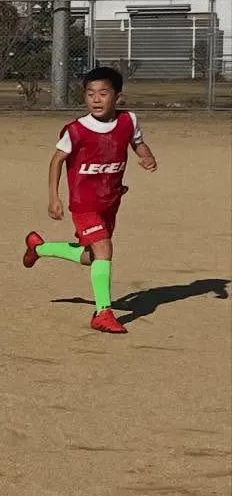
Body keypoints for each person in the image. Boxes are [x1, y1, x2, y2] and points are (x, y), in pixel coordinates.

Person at [22, 65, 158, 333]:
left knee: (92, 257)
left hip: (111, 201)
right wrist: (54, 197)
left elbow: (137, 142)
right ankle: (103, 313)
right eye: (90, 93)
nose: (96, 99)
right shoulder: (77, 130)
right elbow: (56, 160)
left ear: (117, 96)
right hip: (85, 205)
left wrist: (146, 155)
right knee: (104, 249)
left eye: (103, 93)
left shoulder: (128, 121)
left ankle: (39, 248)